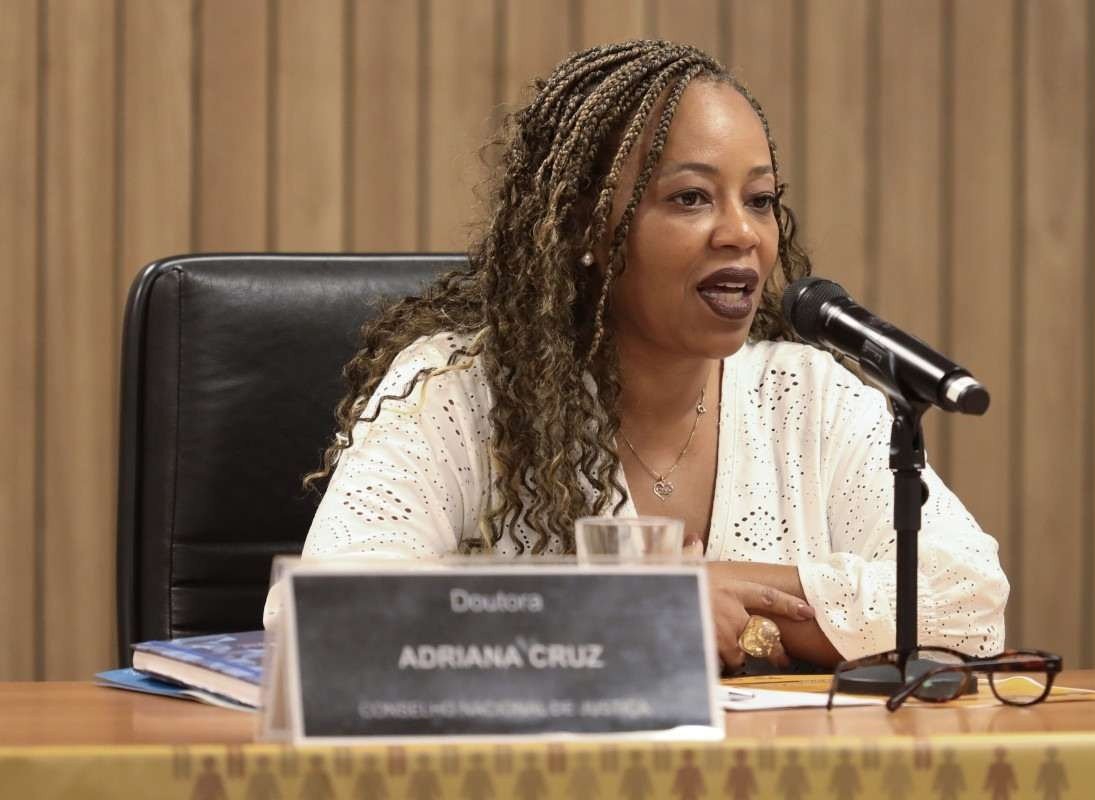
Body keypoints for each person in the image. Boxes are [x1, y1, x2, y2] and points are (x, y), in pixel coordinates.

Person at [278, 39, 1008, 672]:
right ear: (589, 229)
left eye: (759, 200)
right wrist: (636, 612)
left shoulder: (808, 397)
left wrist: (718, 597)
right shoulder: (460, 394)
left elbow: (967, 604)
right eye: (691, 198)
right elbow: (326, 616)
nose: (741, 234)